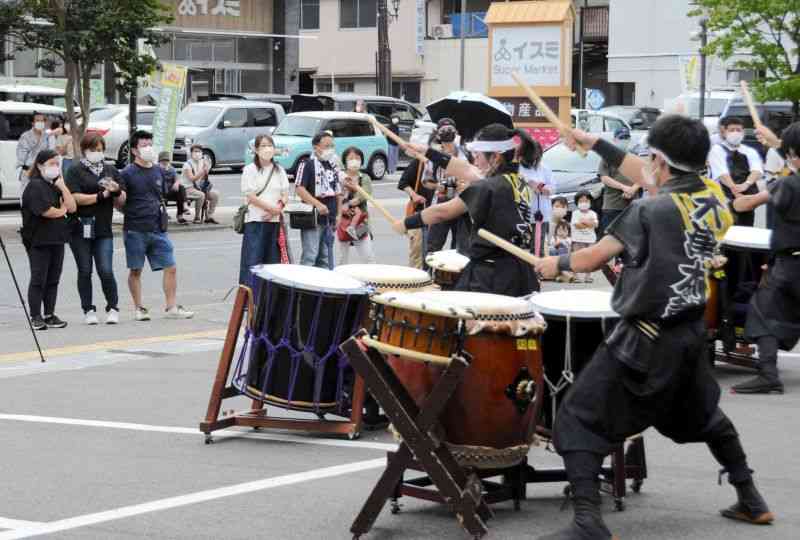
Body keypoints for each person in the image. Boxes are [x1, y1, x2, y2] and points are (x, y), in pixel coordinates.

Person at [533, 115, 772, 539]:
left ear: (660, 160)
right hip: (691, 336)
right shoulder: (715, 197)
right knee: (705, 417)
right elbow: (648, 173)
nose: (646, 163)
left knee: (576, 418)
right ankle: (751, 498)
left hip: (644, 339)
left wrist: (555, 262)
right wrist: (596, 143)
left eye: (651, 157)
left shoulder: (649, 209)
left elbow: (590, 259)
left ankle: (588, 522)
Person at [394, 123, 540, 297]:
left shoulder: (487, 187)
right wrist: (425, 151)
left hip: (493, 277)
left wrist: (406, 222)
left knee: (477, 323)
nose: (475, 160)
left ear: (495, 158)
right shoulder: (519, 180)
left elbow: (443, 212)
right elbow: (465, 168)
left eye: (478, 155)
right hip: (521, 272)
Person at [728, 123, 800, 395]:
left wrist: (738, 198)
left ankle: (768, 374)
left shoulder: (787, 184)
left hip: (791, 264)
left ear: (794, 154)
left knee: (763, 311)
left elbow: (744, 204)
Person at [120, 130, 194, 321]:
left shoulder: (159, 171)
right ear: (135, 150)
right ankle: (139, 308)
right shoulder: (127, 173)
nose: (149, 149)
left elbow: (165, 193)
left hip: (158, 227)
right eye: (144, 146)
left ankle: (171, 307)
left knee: (171, 266)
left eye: (150, 144)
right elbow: (120, 201)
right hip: (135, 228)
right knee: (136, 269)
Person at [66, 133, 124, 325]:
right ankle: (88, 309)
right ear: (84, 150)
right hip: (80, 227)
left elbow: (121, 200)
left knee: (106, 269)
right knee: (84, 270)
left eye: (100, 150)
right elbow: (74, 197)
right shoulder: (75, 170)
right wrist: (101, 196)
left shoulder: (110, 170)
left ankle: (113, 307)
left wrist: (116, 191)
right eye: (93, 150)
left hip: (103, 228)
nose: (97, 153)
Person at [21, 149, 77, 330]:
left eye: (56, 164)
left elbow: (72, 207)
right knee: (39, 278)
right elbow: (45, 211)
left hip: (57, 239)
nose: (55, 167)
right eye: (51, 164)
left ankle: (49, 314)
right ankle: (35, 315)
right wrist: (61, 211)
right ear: (39, 165)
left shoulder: (55, 185)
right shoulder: (35, 185)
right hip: (38, 240)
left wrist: (63, 187)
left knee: (53, 278)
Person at [239, 134, 290, 285]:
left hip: (274, 222)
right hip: (256, 221)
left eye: (270, 145)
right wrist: (271, 209)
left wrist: (278, 209)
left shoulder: (279, 170)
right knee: (253, 261)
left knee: (273, 262)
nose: (267, 149)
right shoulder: (250, 169)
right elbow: (250, 196)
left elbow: (285, 193)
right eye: (263, 146)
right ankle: (250, 298)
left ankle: (269, 300)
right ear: (256, 149)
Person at [295, 132, 343, 269]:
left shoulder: (332, 165)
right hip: (313, 217)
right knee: (310, 255)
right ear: (316, 147)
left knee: (326, 257)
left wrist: (339, 214)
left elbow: (338, 192)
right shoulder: (307, 164)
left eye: (331, 146)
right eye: (326, 146)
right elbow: (300, 189)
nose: (330, 149)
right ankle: (304, 288)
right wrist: (317, 204)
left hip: (330, 216)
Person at [425, 119, 471, 255]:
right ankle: (429, 273)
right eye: (443, 130)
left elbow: (474, 174)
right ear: (438, 134)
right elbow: (425, 181)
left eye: (450, 129)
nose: (447, 132)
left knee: (461, 246)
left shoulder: (466, 153)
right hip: (441, 201)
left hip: (462, 202)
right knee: (434, 244)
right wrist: (439, 186)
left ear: (456, 132)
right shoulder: (434, 155)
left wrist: (466, 184)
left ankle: (457, 275)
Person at [708, 116, 763, 227]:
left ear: (743, 132)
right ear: (724, 132)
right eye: (732, 130)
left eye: (738, 130)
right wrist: (736, 192)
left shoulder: (749, 151)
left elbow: (756, 170)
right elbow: (722, 174)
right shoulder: (717, 150)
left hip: (746, 199)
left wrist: (746, 184)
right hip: (723, 199)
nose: (735, 133)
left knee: (745, 229)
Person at [337, 147, 376, 265]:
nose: (354, 161)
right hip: (342, 222)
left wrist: (349, 202)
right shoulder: (339, 177)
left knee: (368, 256)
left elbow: (363, 195)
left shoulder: (365, 178)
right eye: (351, 158)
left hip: (360, 223)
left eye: (357, 158)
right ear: (345, 161)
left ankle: (372, 282)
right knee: (342, 258)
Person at [397, 152, 435, 269]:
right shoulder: (420, 162)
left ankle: (429, 278)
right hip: (420, 212)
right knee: (417, 251)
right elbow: (403, 182)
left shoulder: (448, 164)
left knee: (432, 251)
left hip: (439, 215)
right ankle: (416, 280)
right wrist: (414, 195)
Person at [598, 127, 639, 234]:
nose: (624, 140)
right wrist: (623, 187)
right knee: (611, 237)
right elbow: (604, 178)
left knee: (632, 240)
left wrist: (633, 189)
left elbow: (643, 177)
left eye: (627, 137)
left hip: (633, 205)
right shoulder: (607, 157)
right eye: (622, 138)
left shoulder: (634, 157)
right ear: (615, 140)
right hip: (613, 205)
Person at [518, 137, 553, 256]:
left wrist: (542, 188)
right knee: (520, 244)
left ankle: (536, 269)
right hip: (521, 213)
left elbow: (552, 187)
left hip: (540, 213)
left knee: (538, 245)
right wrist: (528, 184)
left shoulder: (545, 168)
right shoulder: (517, 168)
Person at [16, 112, 54, 197]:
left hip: (43, 172)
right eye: (37, 120)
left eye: (42, 121)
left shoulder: (47, 136)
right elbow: (21, 155)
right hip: (28, 171)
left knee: (42, 198)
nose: (40, 123)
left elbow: (50, 153)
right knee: (26, 196)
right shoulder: (25, 136)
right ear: (32, 123)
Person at [180, 145, 220, 224]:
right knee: (201, 195)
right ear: (191, 153)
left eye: (199, 151)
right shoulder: (187, 164)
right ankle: (197, 217)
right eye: (195, 151)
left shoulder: (202, 162)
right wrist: (203, 170)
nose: (197, 153)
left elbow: (203, 178)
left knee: (215, 194)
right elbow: (192, 178)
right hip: (187, 189)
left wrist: (207, 168)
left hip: (198, 188)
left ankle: (209, 216)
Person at [570, 190, 598, 283]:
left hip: (590, 239)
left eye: (586, 201)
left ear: (590, 202)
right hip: (577, 239)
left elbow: (595, 225)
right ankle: (575, 276)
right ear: (577, 202)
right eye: (581, 201)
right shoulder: (575, 213)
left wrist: (583, 221)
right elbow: (577, 225)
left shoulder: (593, 213)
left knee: (590, 258)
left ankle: (588, 276)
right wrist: (588, 222)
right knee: (576, 258)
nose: (584, 203)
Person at [159, 152, 189, 225]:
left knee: (181, 188)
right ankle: (162, 215)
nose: (165, 162)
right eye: (163, 160)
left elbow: (177, 178)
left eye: (166, 160)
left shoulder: (172, 169)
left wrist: (176, 183)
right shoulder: (156, 169)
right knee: (179, 191)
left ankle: (181, 214)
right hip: (160, 192)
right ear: (160, 161)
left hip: (170, 191)